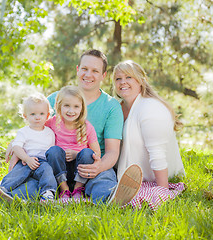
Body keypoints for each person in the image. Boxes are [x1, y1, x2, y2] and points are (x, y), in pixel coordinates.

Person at [46, 50, 142, 205]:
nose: (88, 74)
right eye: (84, 69)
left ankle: (112, 199)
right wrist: (15, 145)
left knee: (103, 180)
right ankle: (9, 193)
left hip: (90, 164)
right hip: (56, 164)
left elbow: (112, 151)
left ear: (103, 76)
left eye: (95, 71)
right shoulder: (56, 98)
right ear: (78, 70)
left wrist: (98, 167)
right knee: (37, 176)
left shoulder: (111, 107)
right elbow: (33, 128)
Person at [0, 93, 57, 201]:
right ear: (25, 116)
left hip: (42, 162)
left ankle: (48, 193)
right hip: (25, 160)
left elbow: (51, 151)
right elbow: (16, 147)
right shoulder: (24, 132)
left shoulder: (50, 133)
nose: (37, 117)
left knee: (47, 171)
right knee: (16, 174)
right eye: (33, 114)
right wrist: (26, 159)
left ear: (47, 116)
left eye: (41, 114)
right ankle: (1, 189)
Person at [113, 60, 185, 188]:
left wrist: (162, 190)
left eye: (128, 77)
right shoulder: (117, 107)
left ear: (140, 80)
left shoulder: (151, 108)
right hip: (121, 173)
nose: (122, 82)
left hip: (150, 176)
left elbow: (157, 153)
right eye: (118, 78)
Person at [45, 86, 101, 200]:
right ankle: (64, 190)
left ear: (82, 108)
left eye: (76, 106)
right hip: (59, 169)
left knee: (87, 153)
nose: (71, 111)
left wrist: (77, 154)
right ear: (58, 106)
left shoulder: (87, 127)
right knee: (53, 151)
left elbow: (97, 153)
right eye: (67, 106)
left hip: (79, 170)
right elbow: (34, 131)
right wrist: (14, 144)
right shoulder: (52, 122)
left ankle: (77, 190)